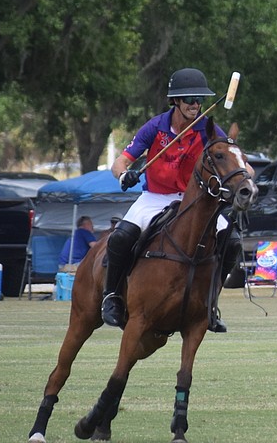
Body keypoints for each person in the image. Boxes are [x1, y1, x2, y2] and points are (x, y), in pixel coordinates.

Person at [102, 68, 245, 332]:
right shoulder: (155, 127)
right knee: (121, 237)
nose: (195, 104)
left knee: (232, 241)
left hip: (193, 200)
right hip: (155, 197)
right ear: (175, 101)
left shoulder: (206, 128)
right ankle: (111, 296)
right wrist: (124, 176)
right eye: (189, 99)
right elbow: (121, 161)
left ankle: (210, 303)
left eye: (199, 99)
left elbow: (232, 156)